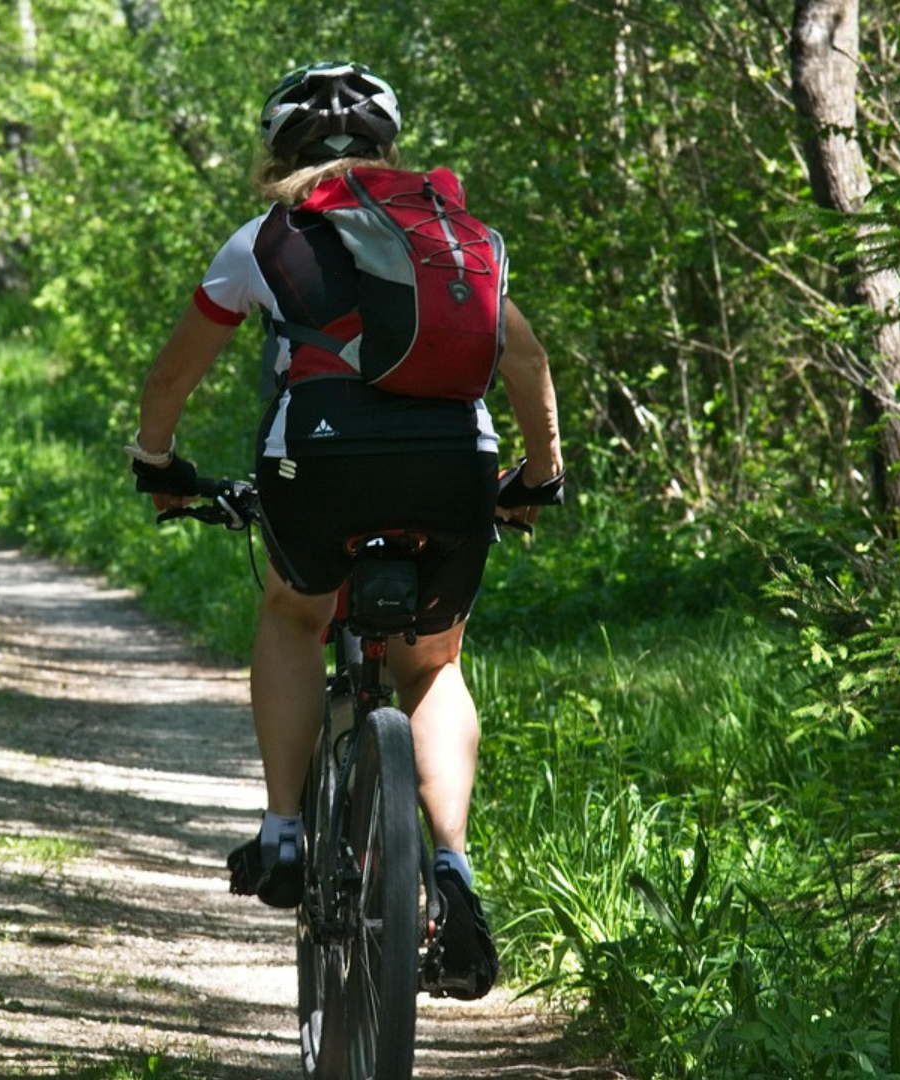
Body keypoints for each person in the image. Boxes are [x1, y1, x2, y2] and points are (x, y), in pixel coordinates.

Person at [124, 61, 564, 1000]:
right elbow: (523, 357)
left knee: (293, 612)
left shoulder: (264, 240)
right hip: (454, 468)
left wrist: (157, 466)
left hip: (318, 468)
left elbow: (171, 379)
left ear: (276, 153)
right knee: (434, 665)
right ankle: (452, 867)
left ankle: (284, 831)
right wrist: (538, 478)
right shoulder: (455, 236)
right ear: (386, 149)